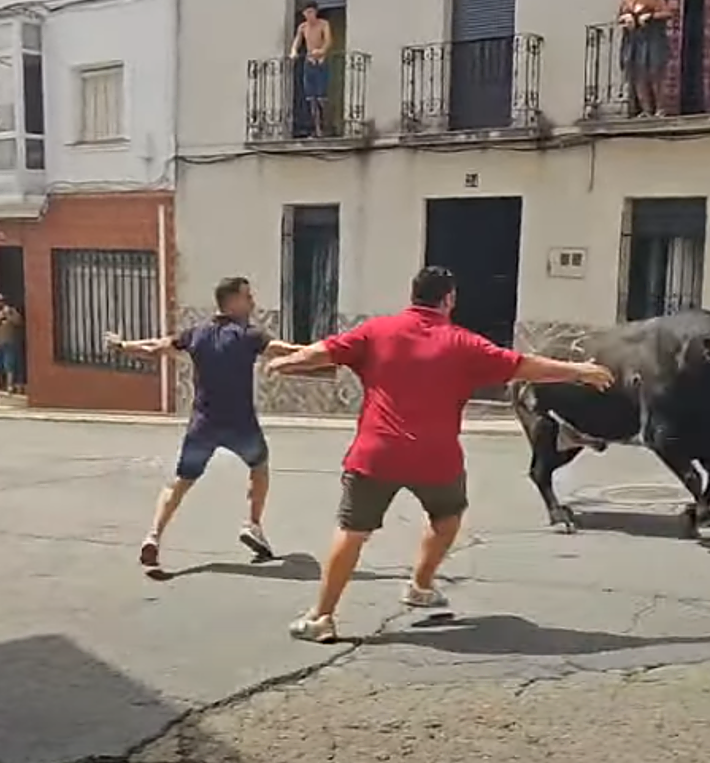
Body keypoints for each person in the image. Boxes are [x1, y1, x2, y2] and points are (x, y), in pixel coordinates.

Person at [266, 266, 616, 643]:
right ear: (449, 299)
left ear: (413, 295)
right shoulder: (463, 343)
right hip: (436, 460)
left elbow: (325, 351)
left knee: (352, 532)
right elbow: (522, 365)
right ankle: (420, 584)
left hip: (376, 456)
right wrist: (578, 371)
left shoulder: (376, 330)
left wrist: (288, 361)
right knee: (447, 518)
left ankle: (321, 617)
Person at [106, 276, 304, 570]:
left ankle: (153, 536)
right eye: (247, 297)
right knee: (259, 467)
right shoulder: (248, 335)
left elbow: (154, 347)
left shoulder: (196, 334)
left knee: (179, 482)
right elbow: (283, 349)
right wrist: (330, 350)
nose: (252, 303)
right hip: (241, 426)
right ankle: (252, 524)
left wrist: (121, 345)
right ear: (232, 301)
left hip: (203, 425)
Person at [619, 0, 672, 118]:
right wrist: (625, 18)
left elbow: (667, 12)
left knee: (654, 72)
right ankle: (646, 110)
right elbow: (618, 18)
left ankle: (661, 109)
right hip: (633, 39)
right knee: (637, 74)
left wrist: (651, 16)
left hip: (652, 37)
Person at [289, 0, 333, 137]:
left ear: (316, 12)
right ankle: (315, 128)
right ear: (303, 14)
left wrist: (321, 51)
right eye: (307, 13)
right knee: (310, 98)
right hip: (309, 62)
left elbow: (328, 41)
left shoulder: (323, 24)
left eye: (311, 12)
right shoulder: (303, 27)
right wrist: (294, 51)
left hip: (320, 61)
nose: (309, 15)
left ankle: (326, 126)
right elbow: (297, 41)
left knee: (321, 97)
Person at [0, 294, 23, 396]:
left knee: (9, 365)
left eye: (2, 300)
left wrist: (9, 315)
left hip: (8, 343)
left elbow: (18, 321)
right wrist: (1, 317)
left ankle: (9, 387)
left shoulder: (11, 311)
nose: (0, 303)